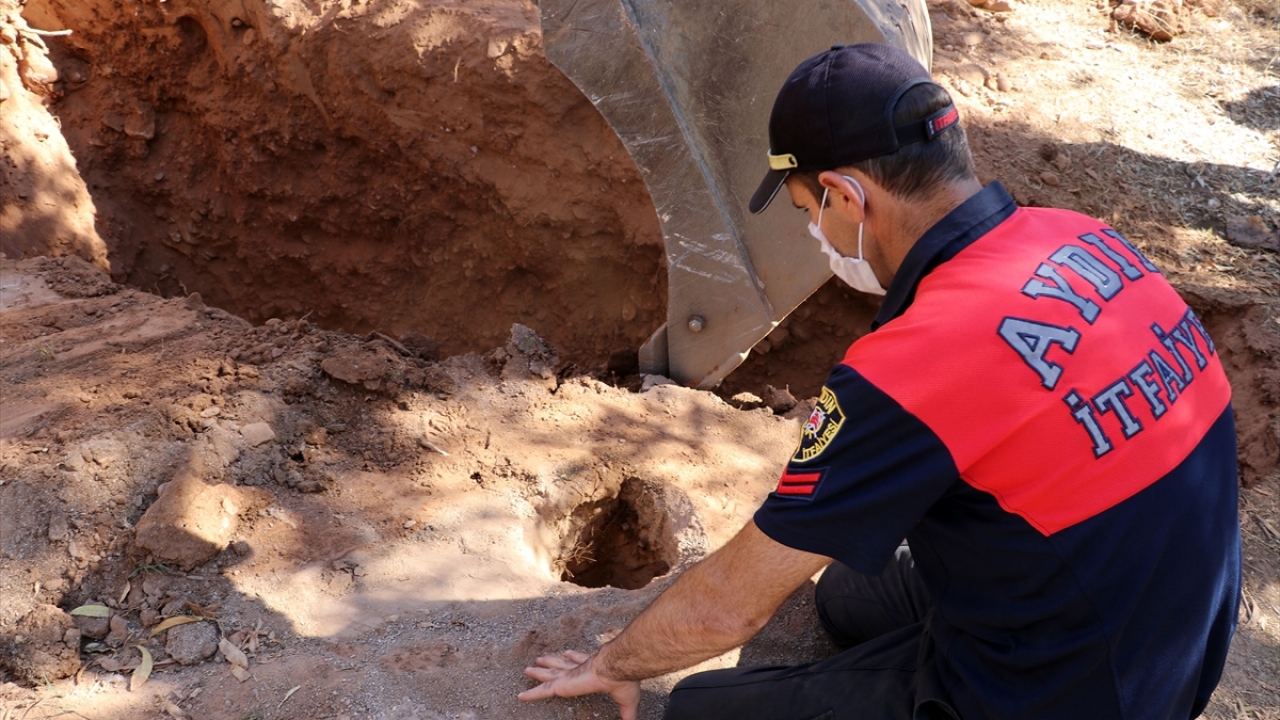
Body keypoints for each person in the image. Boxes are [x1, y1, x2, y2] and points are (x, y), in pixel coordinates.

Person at [518, 43, 1240, 720]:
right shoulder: (1082, 236)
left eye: (808, 212)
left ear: (846, 196)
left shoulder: (914, 364)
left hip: (1078, 690)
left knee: (706, 706)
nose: (820, 237)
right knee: (845, 599)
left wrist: (618, 660)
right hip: (1177, 619)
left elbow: (728, 611)